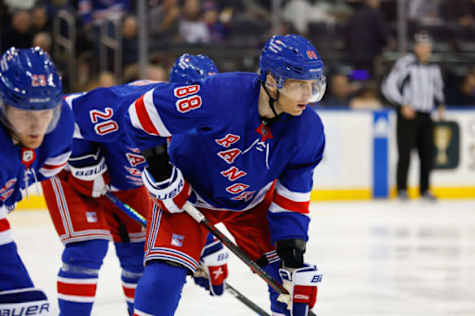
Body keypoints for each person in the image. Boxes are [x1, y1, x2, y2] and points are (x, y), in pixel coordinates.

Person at [126, 34, 326, 316]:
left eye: (313, 85)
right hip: (188, 197)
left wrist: (293, 260)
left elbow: (292, 199)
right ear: (271, 81)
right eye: (298, 85)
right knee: (164, 279)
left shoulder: (309, 130)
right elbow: (141, 113)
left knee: (286, 283)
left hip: (251, 202)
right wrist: (160, 170)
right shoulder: (219, 94)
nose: (307, 96)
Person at [40, 53, 225, 316]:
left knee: (141, 257)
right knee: (88, 248)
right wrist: (83, 158)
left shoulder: (214, 130)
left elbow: (192, 199)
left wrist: (208, 249)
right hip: (73, 176)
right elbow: (65, 111)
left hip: (128, 184)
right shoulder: (129, 105)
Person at [0, 47, 74, 315]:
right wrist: (18, 291)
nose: (36, 125)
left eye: (45, 113)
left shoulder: (62, 125)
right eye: (25, 113)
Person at [382, 31, 445, 201]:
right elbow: (389, 85)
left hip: (426, 114)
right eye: (421, 45)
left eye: (427, 46)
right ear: (415, 47)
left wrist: (440, 105)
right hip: (409, 114)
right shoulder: (405, 64)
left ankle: (425, 189)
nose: (424, 49)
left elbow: (437, 88)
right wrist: (402, 104)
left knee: (427, 154)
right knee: (405, 153)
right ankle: (402, 189)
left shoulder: (434, 66)